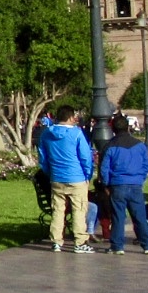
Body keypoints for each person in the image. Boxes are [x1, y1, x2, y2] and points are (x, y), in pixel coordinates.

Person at [37, 105, 96, 253]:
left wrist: (50, 172)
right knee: (79, 210)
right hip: (76, 177)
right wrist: (88, 175)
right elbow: (85, 157)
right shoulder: (76, 133)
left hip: (57, 177)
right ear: (70, 117)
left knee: (58, 210)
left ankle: (56, 241)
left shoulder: (46, 133)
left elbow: (43, 158)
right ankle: (80, 242)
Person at [99, 115, 148, 254]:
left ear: (113, 129)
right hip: (135, 183)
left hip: (117, 184)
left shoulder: (110, 146)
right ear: (128, 127)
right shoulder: (139, 145)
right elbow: (146, 164)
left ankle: (117, 246)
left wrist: (106, 184)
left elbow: (104, 168)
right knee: (140, 216)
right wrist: (141, 178)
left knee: (118, 216)